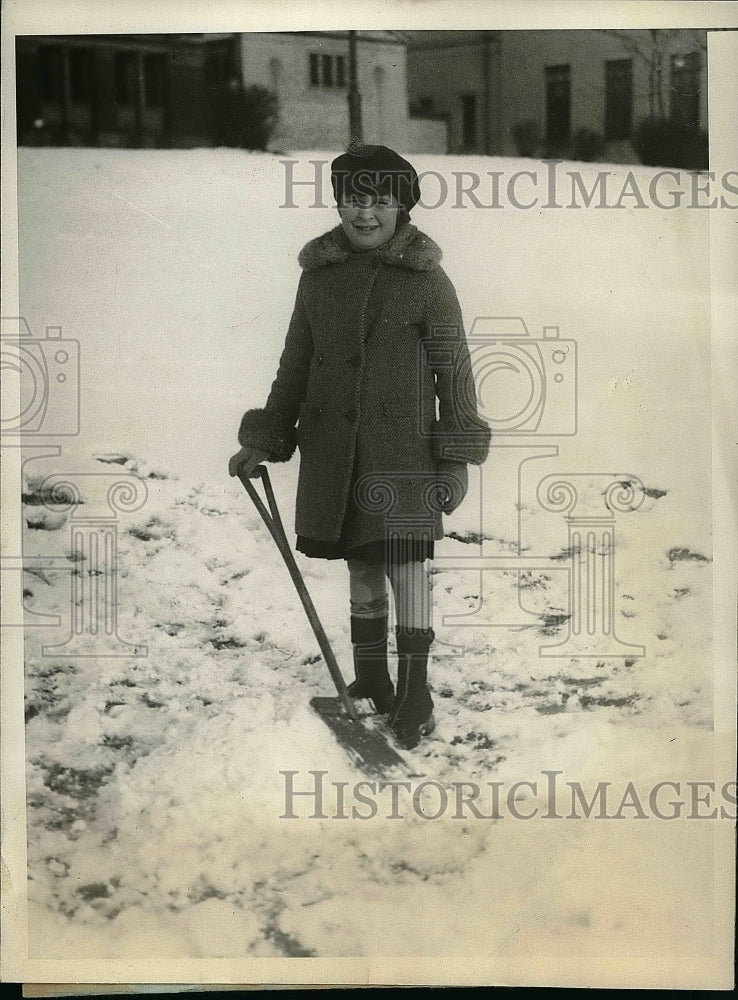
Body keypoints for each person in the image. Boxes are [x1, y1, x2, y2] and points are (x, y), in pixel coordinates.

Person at [229, 145, 490, 749]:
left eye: (378, 201)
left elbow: (455, 374)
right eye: (353, 199)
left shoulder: (427, 281)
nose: (364, 213)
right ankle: (372, 680)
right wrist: (266, 438)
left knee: (405, 564)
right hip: (334, 452)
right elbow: (295, 365)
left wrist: (455, 458)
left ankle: (416, 689)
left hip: (405, 454)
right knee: (363, 564)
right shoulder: (317, 279)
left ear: (402, 206)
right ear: (338, 203)